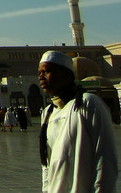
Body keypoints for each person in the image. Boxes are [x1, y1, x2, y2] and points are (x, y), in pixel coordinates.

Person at [38, 50, 117, 192]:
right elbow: (47, 164)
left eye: (47, 71)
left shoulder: (87, 104)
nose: (41, 77)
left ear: (67, 75)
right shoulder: (48, 112)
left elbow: (105, 159)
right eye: (39, 73)